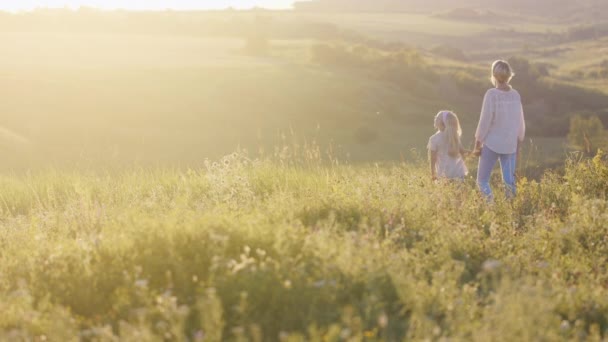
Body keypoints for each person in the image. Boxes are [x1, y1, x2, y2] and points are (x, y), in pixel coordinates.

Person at [473, 60, 526, 200]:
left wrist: (477, 145)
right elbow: (520, 123)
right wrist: (518, 147)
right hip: (510, 145)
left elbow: (485, 121)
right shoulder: (516, 95)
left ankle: (490, 206)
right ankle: (512, 210)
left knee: (482, 181)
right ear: (509, 76)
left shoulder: (491, 94)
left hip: (492, 143)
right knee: (509, 183)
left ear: (494, 75)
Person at [428, 110, 469, 181]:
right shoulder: (454, 136)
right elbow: (463, 152)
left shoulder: (434, 139)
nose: (435, 118)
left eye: (437, 117)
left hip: (444, 173)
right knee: (460, 191)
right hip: (458, 171)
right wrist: (476, 152)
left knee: (446, 191)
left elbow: (433, 159)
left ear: (440, 122)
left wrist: (433, 174)